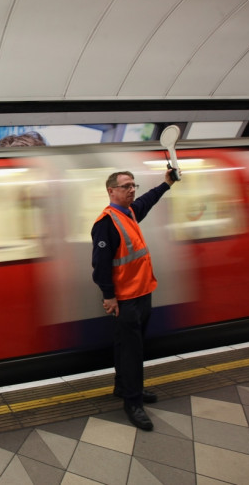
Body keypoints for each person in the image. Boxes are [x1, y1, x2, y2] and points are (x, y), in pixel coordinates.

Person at [91, 169, 178, 431]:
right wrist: (109, 297)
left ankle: (124, 387)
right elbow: (100, 265)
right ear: (111, 191)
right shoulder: (106, 223)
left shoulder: (129, 212)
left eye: (133, 185)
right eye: (126, 186)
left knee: (125, 346)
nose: (132, 190)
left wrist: (167, 184)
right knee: (132, 352)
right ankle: (133, 402)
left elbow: (148, 200)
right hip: (127, 300)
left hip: (142, 293)